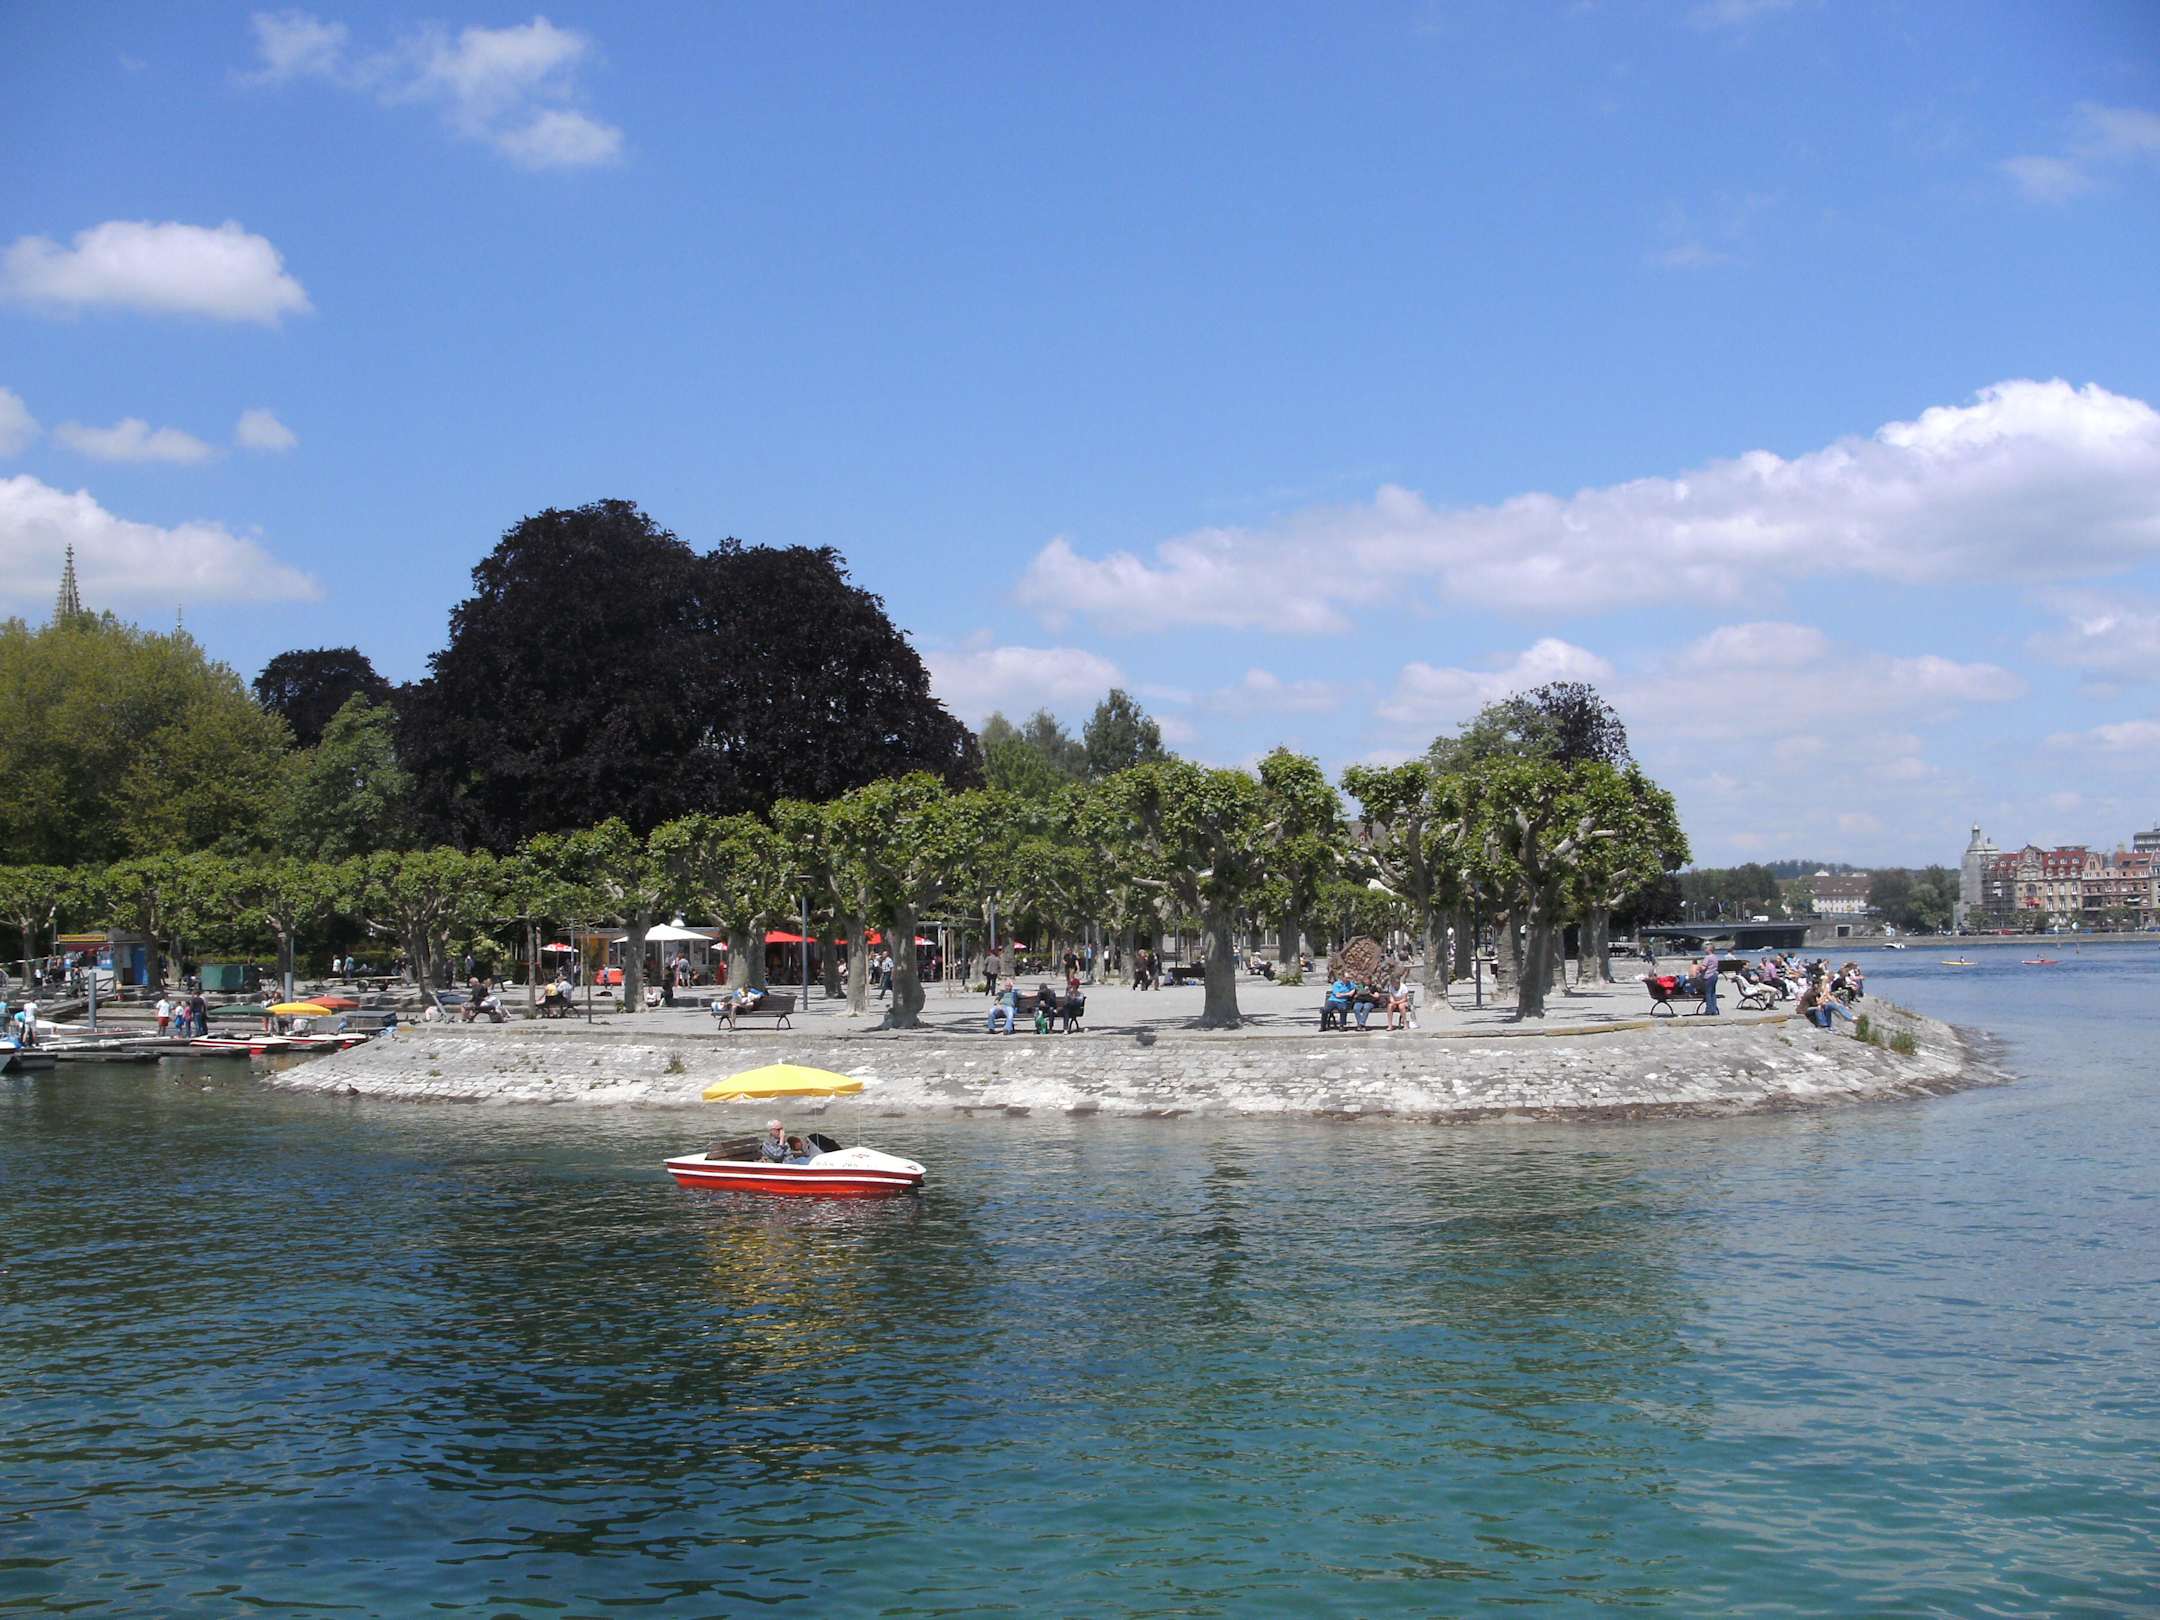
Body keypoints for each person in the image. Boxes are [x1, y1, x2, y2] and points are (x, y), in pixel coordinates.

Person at [1692, 949, 1722, 1016]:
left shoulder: (1707, 957)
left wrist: (1698, 968)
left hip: (1708, 976)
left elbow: (1703, 968)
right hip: (1714, 975)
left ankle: (1709, 1010)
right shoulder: (1715, 957)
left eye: (1706, 948)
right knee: (1713, 993)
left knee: (1708, 993)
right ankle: (1714, 1010)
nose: (1704, 950)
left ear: (1709, 950)